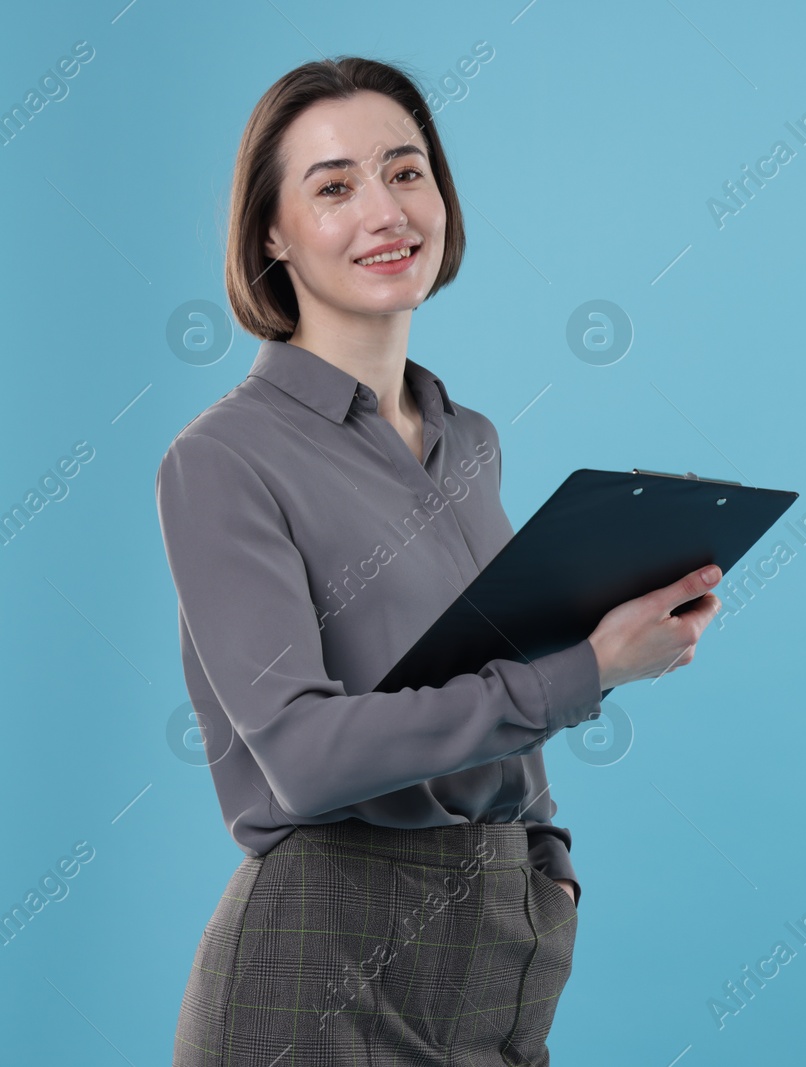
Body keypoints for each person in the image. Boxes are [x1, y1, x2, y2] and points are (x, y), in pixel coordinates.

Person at [157, 55, 721, 1066]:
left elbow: (483, 670)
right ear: (271, 233)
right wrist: (588, 669)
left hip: (495, 949)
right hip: (315, 960)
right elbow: (303, 753)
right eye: (333, 187)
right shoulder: (221, 460)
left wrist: (546, 865)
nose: (385, 210)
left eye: (406, 171)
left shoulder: (470, 440)